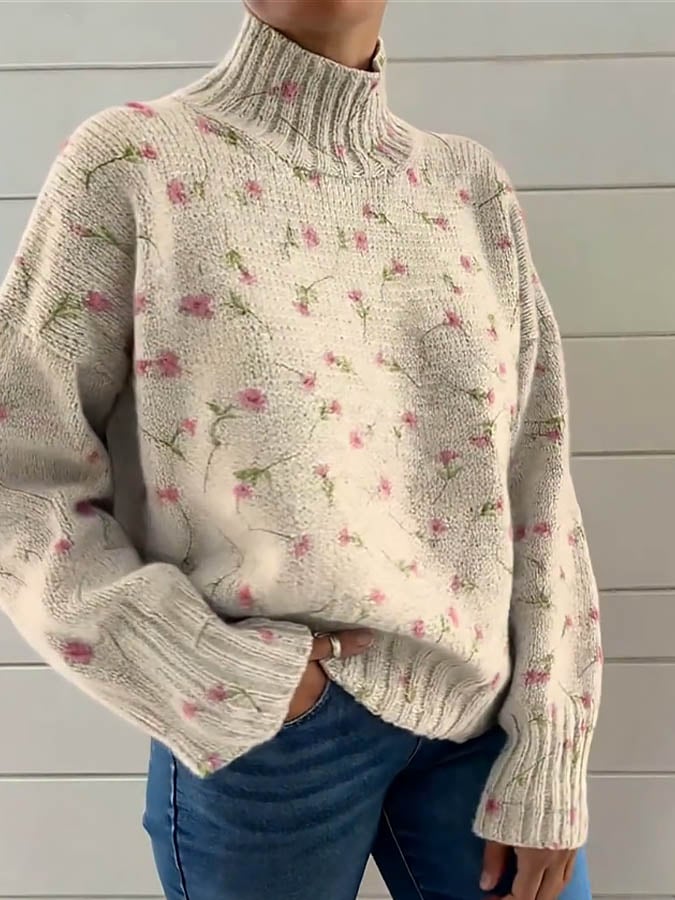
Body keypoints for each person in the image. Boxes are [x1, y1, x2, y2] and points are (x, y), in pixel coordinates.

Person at [0, 1, 602, 898]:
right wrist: (207, 672)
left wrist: (552, 737)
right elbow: (20, 466)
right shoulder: (134, 162)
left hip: (479, 720)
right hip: (267, 726)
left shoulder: (468, 188)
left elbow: (536, 476)